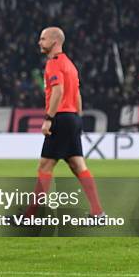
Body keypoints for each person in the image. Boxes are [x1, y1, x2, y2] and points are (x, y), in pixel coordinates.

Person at [23, 27, 105, 220]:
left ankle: (31, 216)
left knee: (45, 166)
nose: (39, 42)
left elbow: (58, 92)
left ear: (54, 41)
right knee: (78, 165)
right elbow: (77, 95)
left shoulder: (54, 63)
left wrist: (49, 119)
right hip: (73, 117)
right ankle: (97, 211)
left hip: (60, 117)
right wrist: (78, 120)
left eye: (43, 39)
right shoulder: (70, 65)